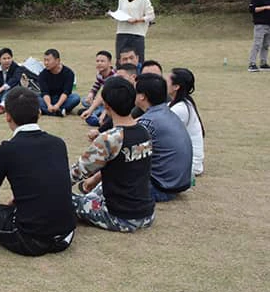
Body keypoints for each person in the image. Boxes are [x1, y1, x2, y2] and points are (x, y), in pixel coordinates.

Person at [0, 87, 75, 255]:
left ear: (7, 116)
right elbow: (50, 179)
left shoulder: (8, 148)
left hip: (29, 238)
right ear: (39, 113)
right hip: (66, 235)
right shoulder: (58, 143)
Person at [69, 77, 156, 232]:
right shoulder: (144, 131)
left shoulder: (110, 138)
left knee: (63, 198)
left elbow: (77, 172)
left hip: (120, 217)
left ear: (106, 106)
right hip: (146, 213)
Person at [135, 73, 193, 202]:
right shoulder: (167, 112)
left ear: (142, 96)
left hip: (161, 187)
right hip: (177, 184)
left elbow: (133, 156)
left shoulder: (148, 122)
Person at [167, 68, 205, 177]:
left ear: (176, 87)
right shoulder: (180, 103)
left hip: (190, 165)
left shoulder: (180, 109)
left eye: (167, 81)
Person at [113, 0, 155, 64]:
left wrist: (137, 20)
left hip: (137, 35)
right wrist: (116, 16)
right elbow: (119, 12)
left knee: (138, 61)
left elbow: (151, 16)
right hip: (122, 33)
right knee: (120, 60)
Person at [38, 49, 80, 116]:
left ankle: (47, 111)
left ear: (57, 60)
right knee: (34, 97)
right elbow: (45, 93)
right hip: (48, 99)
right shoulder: (42, 75)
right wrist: (49, 105)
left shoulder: (69, 73)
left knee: (76, 98)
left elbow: (66, 92)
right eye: (45, 60)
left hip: (62, 99)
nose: (46, 63)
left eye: (48, 60)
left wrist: (57, 105)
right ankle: (59, 112)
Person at [80, 50, 115, 126]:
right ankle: (96, 110)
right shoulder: (99, 74)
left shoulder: (114, 76)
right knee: (84, 100)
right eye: (97, 61)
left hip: (111, 103)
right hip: (103, 101)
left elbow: (110, 96)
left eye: (102, 61)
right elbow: (96, 86)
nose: (99, 63)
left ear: (110, 63)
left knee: (93, 117)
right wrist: (91, 94)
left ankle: (96, 113)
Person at [248, 0, 270, 71]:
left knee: (266, 45)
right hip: (260, 25)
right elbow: (252, 9)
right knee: (257, 44)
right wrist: (265, 7)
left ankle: (263, 63)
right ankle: (252, 64)